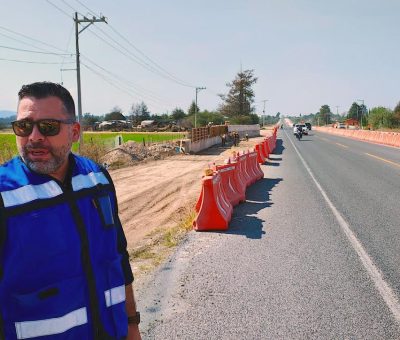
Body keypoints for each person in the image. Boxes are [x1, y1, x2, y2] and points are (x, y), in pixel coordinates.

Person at [0, 82, 141, 340]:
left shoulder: (97, 180)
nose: (34, 137)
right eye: (24, 127)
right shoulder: (4, 194)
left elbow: (119, 257)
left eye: (48, 127)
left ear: (74, 132)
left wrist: (132, 325)